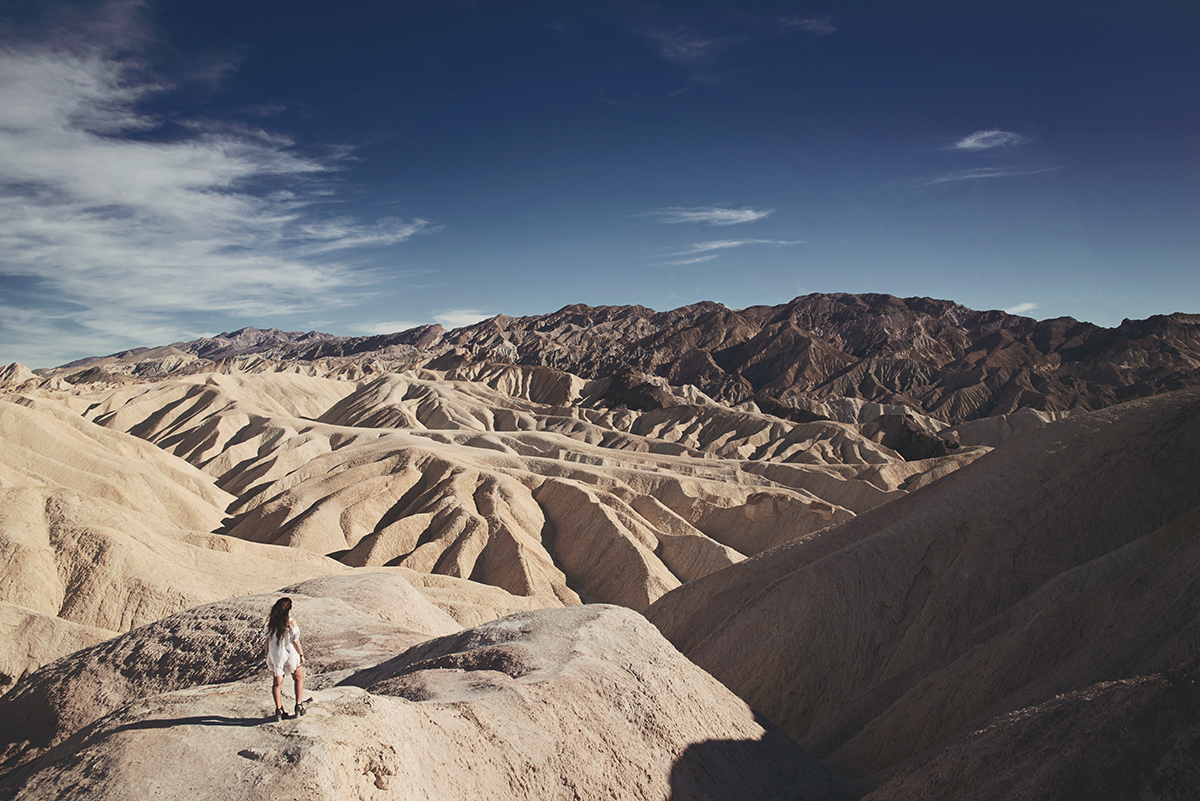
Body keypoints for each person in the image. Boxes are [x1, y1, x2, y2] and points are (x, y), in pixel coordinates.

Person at [264, 596, 306, 721]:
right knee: (298, 678)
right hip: (290, 653)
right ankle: (298, 706)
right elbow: (296, 641)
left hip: (276, 655)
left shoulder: (271, 623)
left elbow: (267, 641)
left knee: (277, 684)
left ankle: (278, 709)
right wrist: (301, 655)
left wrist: (267, 655)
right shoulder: (291, 622)